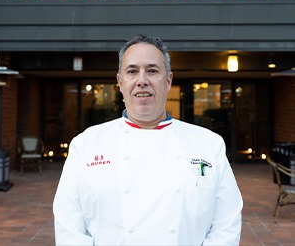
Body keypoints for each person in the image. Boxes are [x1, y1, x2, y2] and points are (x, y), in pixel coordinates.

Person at [53, 34, 243, 245]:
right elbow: (69, 229)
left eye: (152, 71)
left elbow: (226, 224)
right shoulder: (85, 145)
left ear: (168, 80)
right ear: (120, 82)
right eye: (132, 71)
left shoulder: (209, 144)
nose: (142, 80)